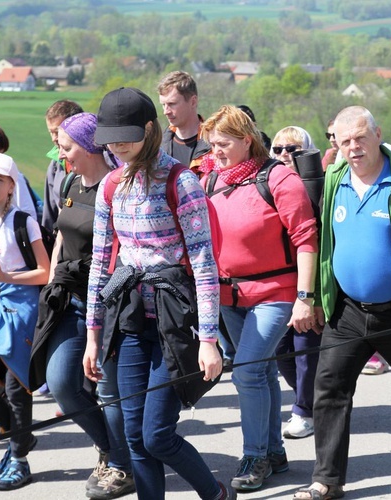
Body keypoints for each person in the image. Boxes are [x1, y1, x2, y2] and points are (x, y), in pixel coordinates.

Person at [293, 106, 391, 500]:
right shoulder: (334, 178)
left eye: (360, 138)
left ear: (378, 134)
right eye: (344, 140)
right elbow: (323, 244)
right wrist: (313, 297)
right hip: (347, 310)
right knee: (329, 387)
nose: (353, 147)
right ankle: (327, 480)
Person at [83, 87, 232, 500]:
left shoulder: (181, 182)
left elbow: (204, 262)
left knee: (156, 436)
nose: (117, 145)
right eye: (110, 138)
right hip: (130, 320)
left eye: (126, 136)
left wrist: (208, 340)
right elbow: (100, 262)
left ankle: (216, 494)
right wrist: (93, 335)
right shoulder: (111, 185)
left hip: (175, 321)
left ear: (150, 130)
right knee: (133, 436)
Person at [200, 107, 318, 490]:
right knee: (263, 371)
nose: (215, 151)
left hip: (276, 292)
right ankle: (273, 451)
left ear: (246, 140)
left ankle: (254, 457)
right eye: (212, 144)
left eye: (223, 144)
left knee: (248, 370)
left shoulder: (279, 178)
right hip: (229, 295)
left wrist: (305, 296)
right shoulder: (211, 179)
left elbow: (305, 238)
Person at [27, 113, 135, 499]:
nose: (60, 151)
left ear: (89, 146)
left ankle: (123, 467)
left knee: (107, 389)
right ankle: (113, 450)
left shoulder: (116, 186)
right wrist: (56, 274)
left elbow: (123, 250)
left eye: (66, 145)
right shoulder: (72, 180)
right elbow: (60, 233)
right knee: (61, 384)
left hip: (106, 304)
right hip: (69, 302)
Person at [0, 153, 49, 490]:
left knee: (15, 384)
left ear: (12, 186)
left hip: (20, 305)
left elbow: (45, 272)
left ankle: (19, 457)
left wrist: (7, 274)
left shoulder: (23, 221)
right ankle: (19, 438)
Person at [267, 125, 322, 440]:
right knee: (281, 349)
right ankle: (313, 399)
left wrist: (314, 295)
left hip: (309, 282)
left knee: (305, 348)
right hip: (278, 281)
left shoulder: (318, 185)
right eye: (278, 150)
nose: (285, 155)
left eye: (293, 149)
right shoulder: (271, 184)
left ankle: (304, 409)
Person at [42, 100, 84, 232]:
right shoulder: (55, 164)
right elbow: (49, 210)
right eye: (51, 132)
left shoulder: (100, 161)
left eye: (58, 131)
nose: (54, 138)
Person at [157, 71, 210, 175]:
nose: (165, 111)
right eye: (163, 105)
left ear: (193, 102)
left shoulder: (215, 145)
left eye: (172, 104)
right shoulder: (158, 146)